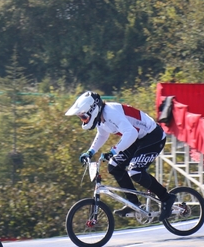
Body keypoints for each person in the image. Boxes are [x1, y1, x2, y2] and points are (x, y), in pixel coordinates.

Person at [66, 91, 176, 221]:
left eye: (84, 117)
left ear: (93, 110)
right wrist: (90, 152)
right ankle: (133, 202)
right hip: (137, 139)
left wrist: (114, 151)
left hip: (153, 137)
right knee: (114, 166)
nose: (83, 120)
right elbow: (102, 135)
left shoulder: (111, 113)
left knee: (135, 172)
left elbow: (131, 133)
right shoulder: (101, 119)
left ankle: (166, 198)